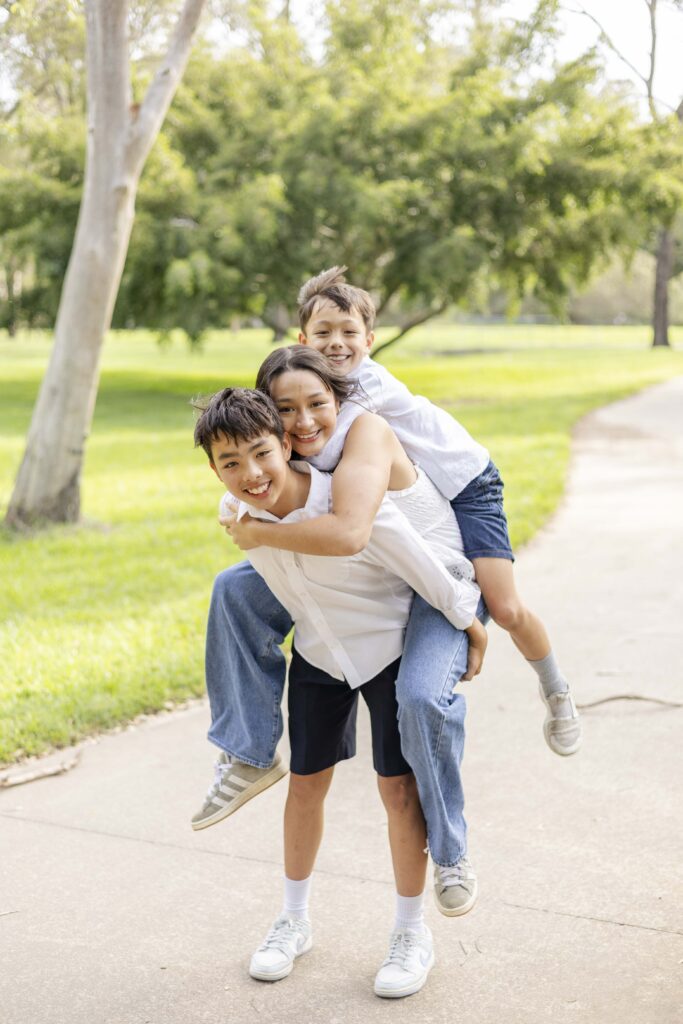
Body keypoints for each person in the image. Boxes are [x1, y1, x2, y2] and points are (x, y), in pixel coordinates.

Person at [193, 386, 487, 997]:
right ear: (215, 471)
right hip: (321, 657)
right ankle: (293, 921)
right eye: (230, 463)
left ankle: (411, 932)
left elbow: (425, 567)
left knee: (396, 793)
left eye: (261, 453)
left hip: (385, 651)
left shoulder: (353, 504)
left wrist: (470, 623)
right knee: (305, 787)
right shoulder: (236, 511)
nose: (250, 474)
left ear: (286, 445)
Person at [227, 266, 581, 762]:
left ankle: (556, 688)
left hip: (467, 482)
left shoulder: (364, 389)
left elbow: (324, 473)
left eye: (349, 333)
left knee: (504, 607)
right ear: (302, 338)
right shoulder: (313, 386)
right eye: (323, 333)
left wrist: (260, 529)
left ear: (370, 340)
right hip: (418, 497)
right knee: (239, 585)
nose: (337, 344)